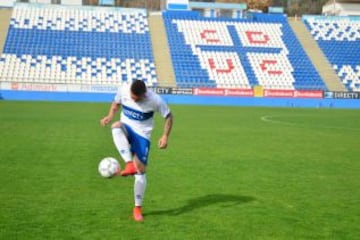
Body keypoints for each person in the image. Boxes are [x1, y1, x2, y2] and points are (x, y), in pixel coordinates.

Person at [100, 80, 173, 222]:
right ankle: (128, 163)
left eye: (136, 98)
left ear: (144, 94)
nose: (133, 99)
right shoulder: (124, 89)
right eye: (132, 97)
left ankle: (137, 208)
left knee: (140, 172)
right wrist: (109, 116)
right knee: (116, 126)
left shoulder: (155, 100)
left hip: (142, 135)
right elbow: (116, 103)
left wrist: (165, 136)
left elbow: (169, 116)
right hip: (126, 127)